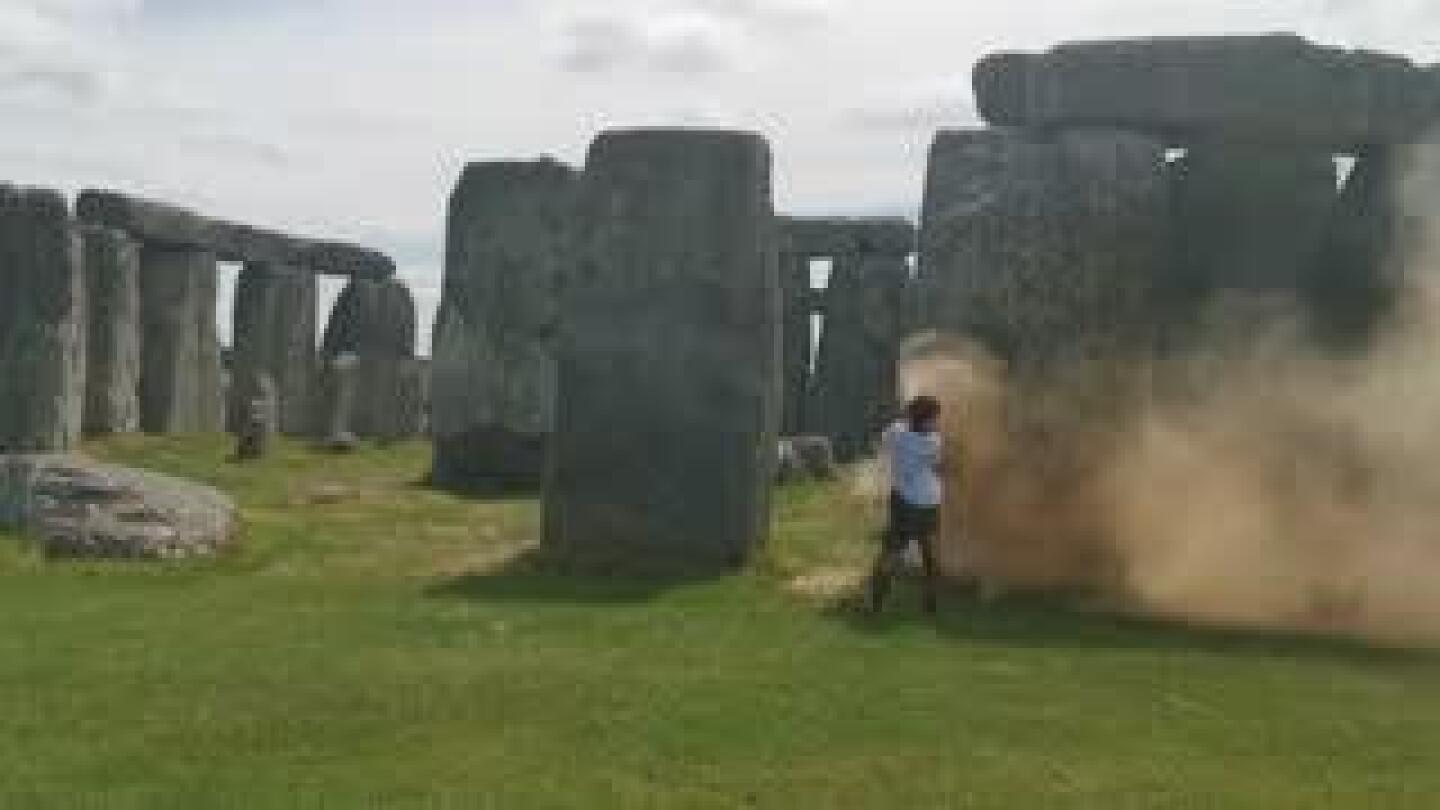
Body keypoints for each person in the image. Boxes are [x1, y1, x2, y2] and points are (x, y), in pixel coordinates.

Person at [868, 395, 944, 615]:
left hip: (903, 500)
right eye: (934, 417)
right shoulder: (934, 442)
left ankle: (877, 603)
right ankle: (930, 603)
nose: (937, 422)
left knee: (891, 552)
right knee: (930, 554)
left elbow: (885, 440)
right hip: (928, 503)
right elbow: (937, 465)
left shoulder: (896, 432)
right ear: (927, 419)